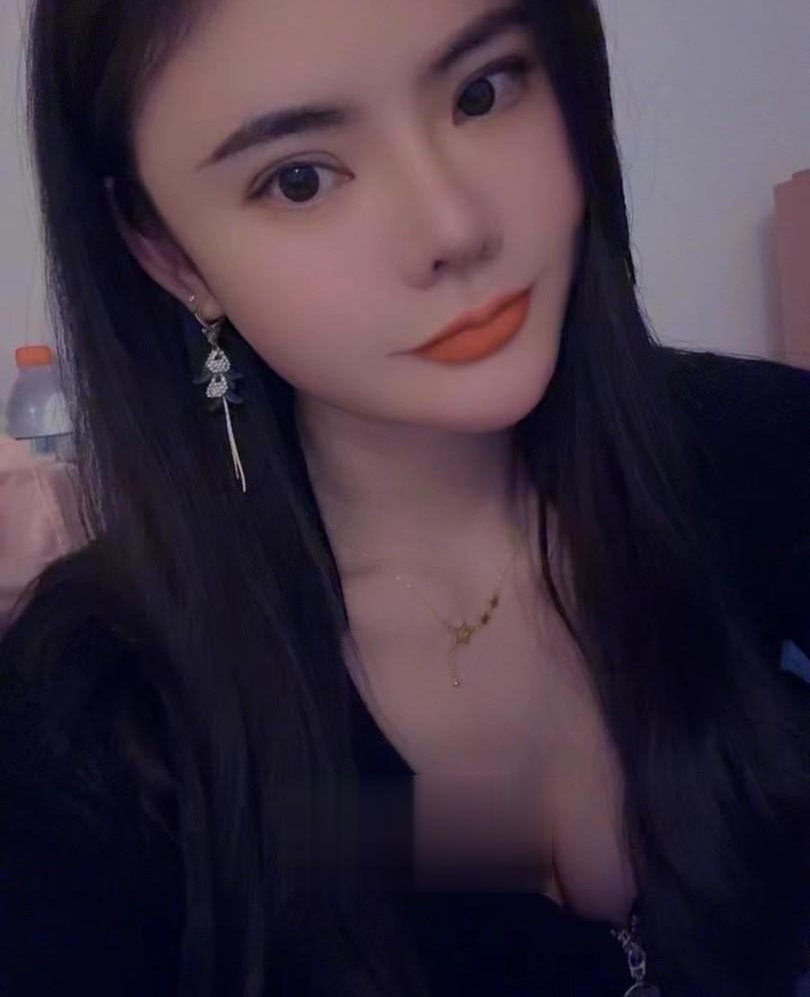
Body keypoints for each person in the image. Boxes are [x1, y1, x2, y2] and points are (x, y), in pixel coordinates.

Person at [1, 0, 808, 994]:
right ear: (168, 252)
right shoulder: (99, 726)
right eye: (300, 179)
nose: (453, 227)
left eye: (483, 92)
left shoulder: (766, 461)